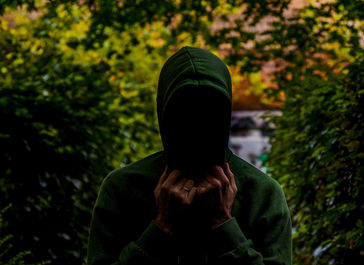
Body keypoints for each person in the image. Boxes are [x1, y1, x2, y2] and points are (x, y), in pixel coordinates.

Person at [87, 46, 292, 265]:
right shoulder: (122, 189)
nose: (197, 126)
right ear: (165, 113)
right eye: (184, 112)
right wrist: (162, 227)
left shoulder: (262, 194)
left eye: (209, 111)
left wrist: (223, 223)